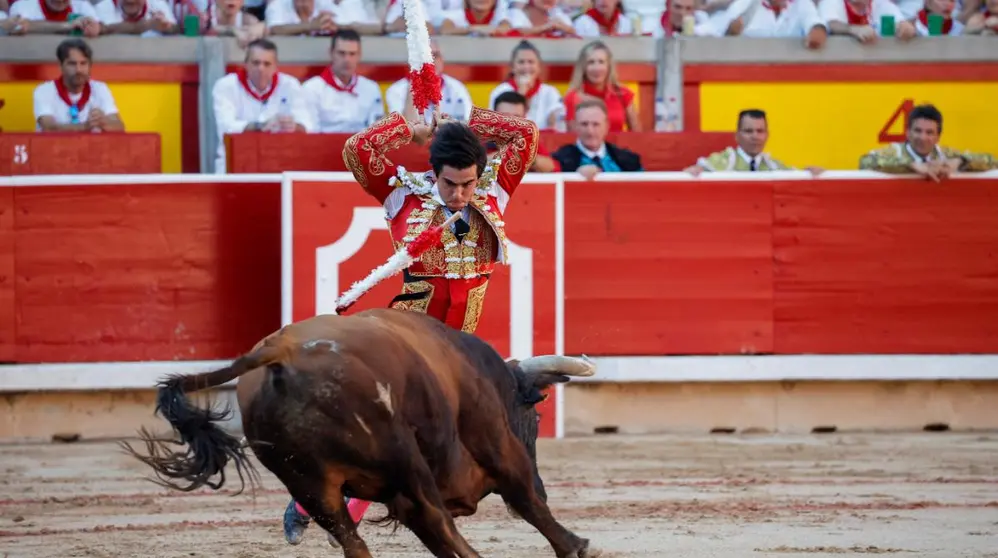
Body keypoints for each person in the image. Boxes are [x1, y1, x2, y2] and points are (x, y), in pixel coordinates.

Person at [281, 95, 539, 547]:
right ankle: (311, 501)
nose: (460, 195)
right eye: (449, 184)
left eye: (468, 185)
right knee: (387, 428)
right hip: (410, 334)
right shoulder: (403, 192)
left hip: (460, 344)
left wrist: (469, 120)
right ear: (433, 173)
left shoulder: (495, 186)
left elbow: (526, 134)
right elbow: (357, 151)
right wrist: (408, 127)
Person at [859, 103, 996, 180]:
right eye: (917, 131)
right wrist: (911, 165)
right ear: (908, 132)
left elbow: (993, 161)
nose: (923, 137)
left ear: (938, 137)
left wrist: (961, 161)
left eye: (929, 132)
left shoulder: (945, 154)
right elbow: (864, 162)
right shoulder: (894, 152)